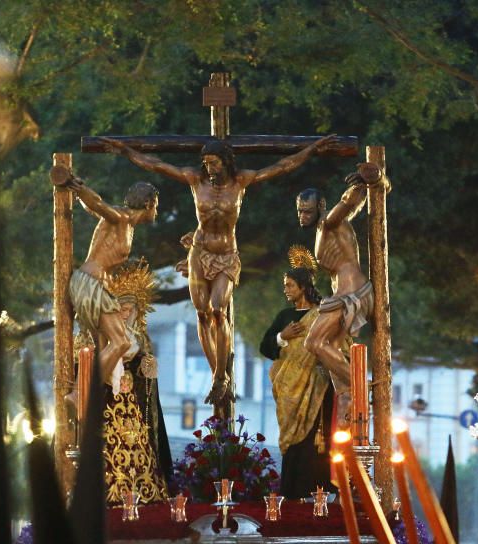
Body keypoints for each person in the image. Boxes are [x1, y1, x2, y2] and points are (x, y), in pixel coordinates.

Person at [100, 134, 336, 408]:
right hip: (199, 254)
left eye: (213, 163)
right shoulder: (194, 180)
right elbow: (155, 165)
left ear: (225, 161)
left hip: (225, 255)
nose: (209, 169)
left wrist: (312, 149)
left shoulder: (241, 182)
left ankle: (222, 374)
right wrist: (125, 150)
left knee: (217, 309)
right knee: (201, 314)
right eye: (205, 163)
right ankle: (217, 374)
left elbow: (281, 167)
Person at [296, 163, 390, 427]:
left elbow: (346, 206)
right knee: (331, 349)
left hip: (352, 293)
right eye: (300, 211)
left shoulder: (328, 222)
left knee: (313, 343)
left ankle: (361, 385)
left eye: (307, 210)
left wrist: (360, 184)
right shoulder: (322, 228)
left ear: (320, 205)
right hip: (346, 292)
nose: (302, 216)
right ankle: (347, 394)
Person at [62, 171, 159, 399]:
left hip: (97, 287)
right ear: (148, 203)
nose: (157, 211)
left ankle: (89, 397)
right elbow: (98, 204)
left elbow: (93, 208)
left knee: (109, 345)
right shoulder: (122, 218)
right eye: (156, 206)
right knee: (121, 342)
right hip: (90, 284)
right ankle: (79, 395)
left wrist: (82, 196)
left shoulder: (126, 225)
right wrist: (79, 188)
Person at [259, 247, 338, 498]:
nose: (286, 290)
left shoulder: (323, 313)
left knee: (317, 439)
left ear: (303, 286)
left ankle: (318, 493)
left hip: (318, 385)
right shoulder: (285, 316)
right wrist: (283, 336)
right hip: (288, 391)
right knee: (293, 443)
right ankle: (292, 492)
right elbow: (266, 346)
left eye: (290, 285)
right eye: (285, 285)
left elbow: (336, 344)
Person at [102, 260, 173, 503]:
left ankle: (145, 494)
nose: (126, 313)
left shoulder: (140, 338)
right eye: (122, 308)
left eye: (130, 309)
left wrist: (148, 370)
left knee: (140, 449)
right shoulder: (105, 335)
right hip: (111, 402)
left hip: (134, 405)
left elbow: (147, 380)